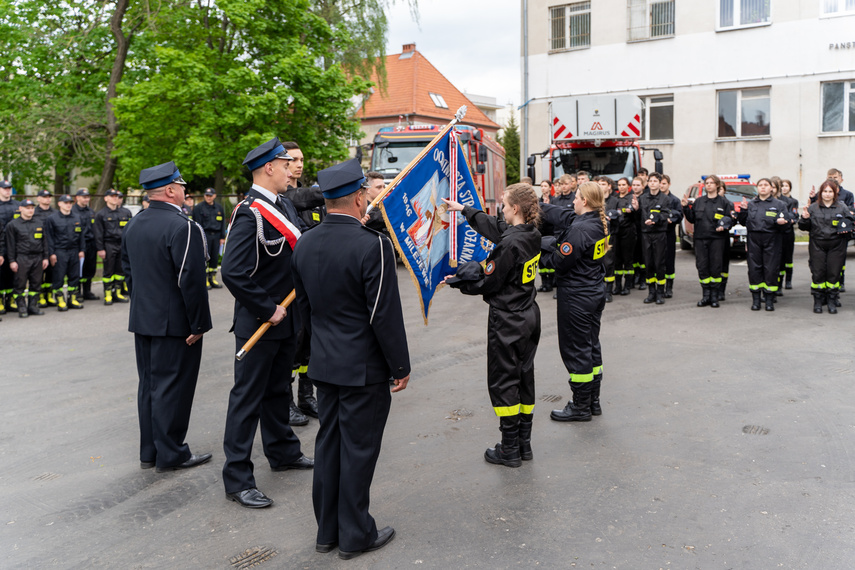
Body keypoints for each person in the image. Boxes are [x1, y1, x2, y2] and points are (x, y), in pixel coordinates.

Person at [291, 158, 409, 560]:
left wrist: (310, 354)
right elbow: (383, 314)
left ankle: (327, 531)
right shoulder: (371, 244)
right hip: (364, 367)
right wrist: (400, 366)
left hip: (325, 363)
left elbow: (303, 310)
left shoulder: (304, 241)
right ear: (359, 197)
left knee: (330, 446)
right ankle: (356, 533)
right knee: (358, 451)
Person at [220, 137, 314, 510]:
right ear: (268, 168)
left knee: (278, 391)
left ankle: (283, 452)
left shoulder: (285, 205)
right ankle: (238, 478)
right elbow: (233, 272)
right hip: (260, 322)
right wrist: (266, 308)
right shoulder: (250, 212)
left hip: (285, 320)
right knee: (247, 399)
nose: (293, 167)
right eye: (285, 162)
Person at [121, 161, 213, 472]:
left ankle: (150, 452)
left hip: (144, 318)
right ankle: (172, 454)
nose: (186, 191)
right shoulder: (182, 226)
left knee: (149, 386)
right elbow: (190, 279)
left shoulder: (134, 224)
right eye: (183, 186)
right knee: (173, 389)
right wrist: (199, 323)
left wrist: (144, 305)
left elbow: (128, 272)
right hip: (175, 324)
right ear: (171, 190)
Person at [443, 183, 542, 468]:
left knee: (504, 381)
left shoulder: (509, 244)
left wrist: (456, 282)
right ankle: (523, 444)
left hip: (508, 319)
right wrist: (465, 211)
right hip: (528, 315)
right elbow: (496, 227)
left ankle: (508, 449)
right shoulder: (529, 233)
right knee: (524, 377)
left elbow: (489, 281)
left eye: (503, 202)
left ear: (515, 208)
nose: (500, 206)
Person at [541, 181, 608, 422]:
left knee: (576, 350)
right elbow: (565, 215)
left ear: (585, 202)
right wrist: (538, 206)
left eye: (577, 197)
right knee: (590, 346)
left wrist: (540, 248)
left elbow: (559, 261)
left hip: (577, 296)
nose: (573, 200)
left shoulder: (580, 230)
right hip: (592, 292)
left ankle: (580, 407)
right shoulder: (594, 222)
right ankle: (592, 401)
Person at [282, 141, 321, 424]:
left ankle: (306, 397)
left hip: (313, 281)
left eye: (301, 159)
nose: (299, 164)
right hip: (291, 284)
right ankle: (286, 403)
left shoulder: (310, 197)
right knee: (292, 345)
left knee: (309, 342)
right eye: (293, 160)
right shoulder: (287, 196)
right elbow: (302, 198)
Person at [799, 179, 854, 313]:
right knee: (818, 273)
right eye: (825, 191)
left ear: (835, 193)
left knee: (833, 274)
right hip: (817, 244)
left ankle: (831, 301)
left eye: (830, 191)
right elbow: (804, 227)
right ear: (821, 193)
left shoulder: (842, 207)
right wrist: (805, 218)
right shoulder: (813, 207)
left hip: (837, 245)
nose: (827, 194)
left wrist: (848, 228)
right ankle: (818, 301)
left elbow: (851, 224)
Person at [737, 178, 790, 311]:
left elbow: (787, 223)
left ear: (771, 188)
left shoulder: (779, 204)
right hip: (754, 240)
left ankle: (769, 300)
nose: (763, 187)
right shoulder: (751, 204)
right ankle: (756, 300)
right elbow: (743, 222)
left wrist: (783, 222)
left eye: (766, 185)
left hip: (772, 239)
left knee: (771, 269)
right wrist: (743, 211)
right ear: (757, 188)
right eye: (760, 185)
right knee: (755, 269)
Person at [682, 175, 733, 308]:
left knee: (716, 267)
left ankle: (714, 296)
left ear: (717, 185)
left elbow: (730, 219)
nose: (708, 185)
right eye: (707, 183)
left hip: (717, 239)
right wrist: (686, 208)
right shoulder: (699, 201)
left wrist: (725, 225)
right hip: (700, 239)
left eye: (711, 183)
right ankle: (706, 295)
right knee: (702, 266)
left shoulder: (724, 202)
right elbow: (692, 218)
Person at [5, 198, 48, 317]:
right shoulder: (13, 225)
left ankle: (33, 306)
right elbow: (10, 245)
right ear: (20, 209)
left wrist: (45, 257)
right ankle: (22, 308)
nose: (30, 210)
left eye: (32, 208)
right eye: (27, 208)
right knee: (20, 284)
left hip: (37, 257)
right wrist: (12, 261)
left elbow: (44, 241)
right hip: (22, 258)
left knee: (36, 283)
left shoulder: (39, 222)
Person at [45, 194, 86, 311]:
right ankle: (60, 300)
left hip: (74, 251)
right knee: (59, 277)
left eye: (70, 203)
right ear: (59, 204)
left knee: (74, 276)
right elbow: (50, 238)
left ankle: (73, 299)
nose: (68, 205)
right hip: (60, 251)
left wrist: (82, 250)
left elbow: (81, 236)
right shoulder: (52, 219)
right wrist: (51, 253)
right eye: (65, 203)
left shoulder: (77, 218)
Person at [94, 189, 132, 305]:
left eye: (116, 196)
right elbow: (98, 233)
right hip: (108, 245)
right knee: (108, 271)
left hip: (122, 244)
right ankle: (108, 294)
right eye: (112, 196)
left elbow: (130, 230)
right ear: (106, 198)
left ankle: (118, 292)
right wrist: (100, 249)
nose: (115, 198)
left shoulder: (125, 213)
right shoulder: (101, 214)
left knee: (120, 270)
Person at [638, 172, 671, 304]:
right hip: (646, 233)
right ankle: (651, 292)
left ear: (659, 183)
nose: (652, 183)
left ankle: (660, 292)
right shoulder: (643, 198)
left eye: (655, 181)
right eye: (650, 181)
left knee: (659, 263)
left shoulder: (665, 199)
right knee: (648, 263)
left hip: (659, 233)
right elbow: (639, 214)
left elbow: (665, 214)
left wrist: (655, 220)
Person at [192, 188, 227, 289]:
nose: (208, 197)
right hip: (204, 235)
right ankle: (205, 280)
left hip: (216, 236)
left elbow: (222, 223)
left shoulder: (219, 208)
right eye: (207, 195)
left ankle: (213, 279)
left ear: (215, 196)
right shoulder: (199, 208)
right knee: (204, 258)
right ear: (204, 196)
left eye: (210, 195)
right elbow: (197, 224)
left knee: (214, 258)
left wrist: (222, 237)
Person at [612, 177, 638, 295]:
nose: (621, 187)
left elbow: (635, 215)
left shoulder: (632, 198)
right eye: (619, 185)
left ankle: (627, 285)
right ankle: (618, 286)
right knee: (617, 260)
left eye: (624, 185)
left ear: (628, 186)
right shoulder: (614, 198)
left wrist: (632, 210)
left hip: (628, 232)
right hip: (616, 231)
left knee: (628, 260)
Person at [72, 189, 99, 301]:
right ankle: (77, 292)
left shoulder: (91, 212)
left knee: (90, 268)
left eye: (87, 197)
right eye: (83, 197)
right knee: (78, 269)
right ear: (77, 197)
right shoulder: (73, 211)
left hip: (91, 243)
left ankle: (87, 291)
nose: (86, 199)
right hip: (79, 244)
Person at [660, 174, 683, 298]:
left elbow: (679, 216)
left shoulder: (674, 200)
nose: (661, 186)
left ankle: (669, 287)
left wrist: (672, 219)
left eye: (664, 183)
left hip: (668, 233)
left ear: (669, 184)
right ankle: (659, 288)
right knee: (658, 261)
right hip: (656, 234)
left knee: (669, 261)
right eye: (660, 183)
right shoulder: (655, 198)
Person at [33, 190, 56, 307]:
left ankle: (49, 295)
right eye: (44, 197)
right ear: (38, 198)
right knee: (39, 273)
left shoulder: (55, 213)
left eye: (49, 197)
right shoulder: (34, 212)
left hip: (52, 246)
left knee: (51, 272)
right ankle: (40, 296)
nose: (47, 199)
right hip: (38, 246)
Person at [0, 180, 20, 313]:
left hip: (16, 245)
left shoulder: (18, 205)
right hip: (1, 245)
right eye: (5, 188)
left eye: (9, 188)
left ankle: (11, 299)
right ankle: (0, 300)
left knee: (14, 273)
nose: (7, 190)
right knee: (1, 274)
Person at [597, 176, 618, 301]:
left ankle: (608, 291)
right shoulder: (595, 200)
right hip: (596, 236)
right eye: (599, 184)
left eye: (603, 184)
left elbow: (617, 215)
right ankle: (599, 290)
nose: (601, 186)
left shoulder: (614, 201)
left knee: (608, 263)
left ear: (609, 186)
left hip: (610, 236)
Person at [779, 179, 799, 290]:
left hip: (788, 232)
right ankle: (780, 281)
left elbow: (794, 215)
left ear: (790, 187)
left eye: (786, 186)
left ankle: (788, 280)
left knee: (788, 257)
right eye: (782, 186)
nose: (784, 188)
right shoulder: (778, 201)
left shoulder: (793, 201)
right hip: (779, 232)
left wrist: (790, 219)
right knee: (780, 258)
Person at [537, 180, 556, 293]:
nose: (543, 188)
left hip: (551, 231)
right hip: (540, 232)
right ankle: (544, 283)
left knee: (550, 256)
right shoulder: (538, 201)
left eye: (545, 186)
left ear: (550, 188)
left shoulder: (554, 200)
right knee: (541, 260)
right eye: (541, 186)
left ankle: (551, 282)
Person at [631, 176, 647, 288]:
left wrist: (637, 209)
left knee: (642, 256)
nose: (635, 187)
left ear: (643, 186)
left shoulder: (645, 198)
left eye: (638, 185)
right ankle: (635, 275)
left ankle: (643, 278)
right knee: (634, 255)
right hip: (630, 230)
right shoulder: (629, 197)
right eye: (634, 185)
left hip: (642, 230)